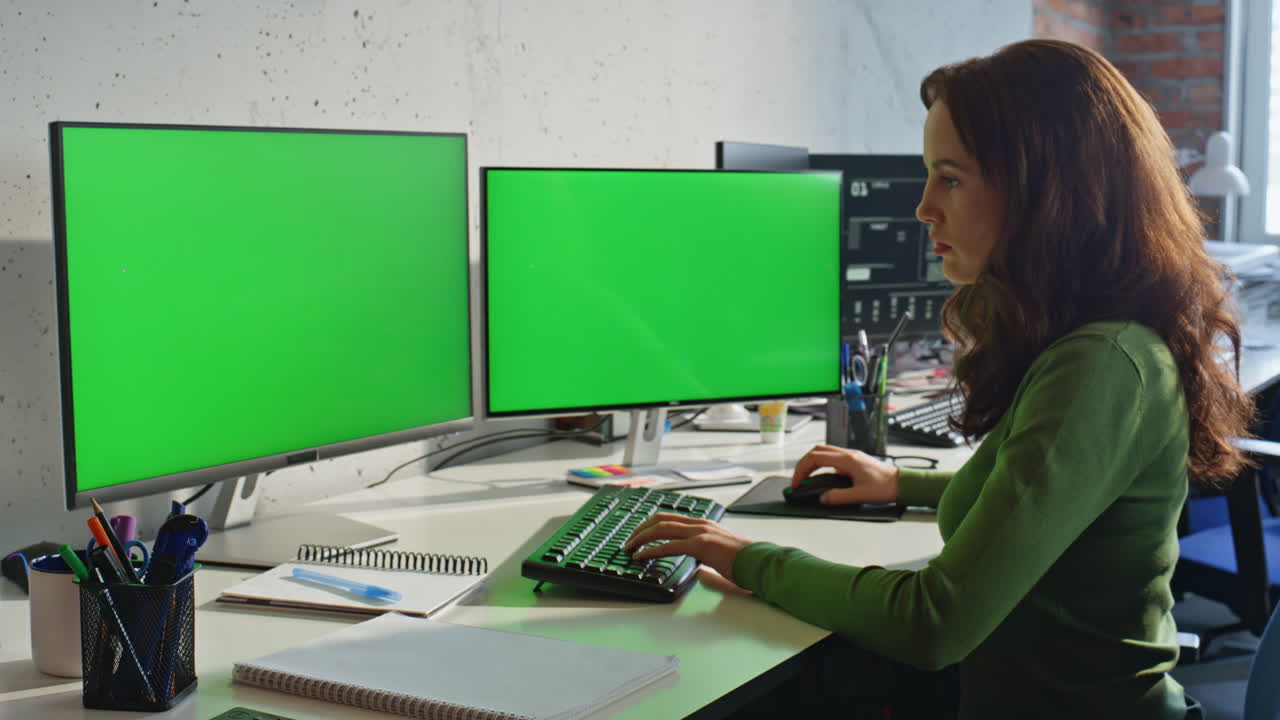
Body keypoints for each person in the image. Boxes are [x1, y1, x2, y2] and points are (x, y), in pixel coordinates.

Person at [624, 39, 1254, 719]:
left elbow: (934, 622)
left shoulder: (1101, 365)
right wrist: (902, 483)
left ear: (1047, 193)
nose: (924, 208)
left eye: (950, 178)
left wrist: (747, 557)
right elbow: (1037, 499)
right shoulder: (1087, 340)